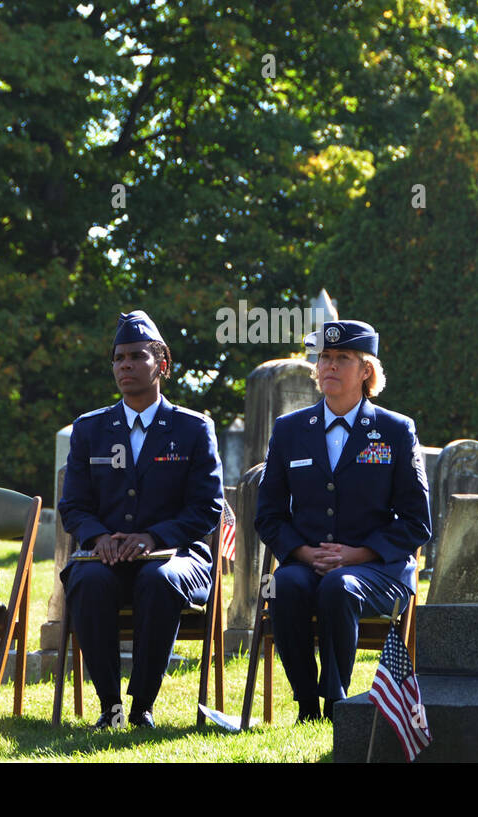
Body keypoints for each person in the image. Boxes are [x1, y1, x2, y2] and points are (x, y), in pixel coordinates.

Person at [255, 320, 431, 721]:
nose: (329, 366)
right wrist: (301, 552)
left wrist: (358, 554)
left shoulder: (395, 431)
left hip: (379, 570)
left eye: (342, 358)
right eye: (325, 358)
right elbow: (269, 514)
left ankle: (334, 702)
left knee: (339, 586)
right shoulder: (289, 430)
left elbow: (417, 522)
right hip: (308, 562)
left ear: (366, 370)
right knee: (282, 586)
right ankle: (305, 704)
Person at [58, 310, 222, 729]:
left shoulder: (193, 429)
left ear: (161, 364)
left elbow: (207, 507)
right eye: (118, 358)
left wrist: (153, 537)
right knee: (88, 581)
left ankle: (142, 705)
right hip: (106, 558)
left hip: (176, 557)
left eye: (135, 357)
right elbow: (73, 505)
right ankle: (110, 705)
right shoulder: (90, 429)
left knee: (158, 580)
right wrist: (98, 539)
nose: (125, 365)